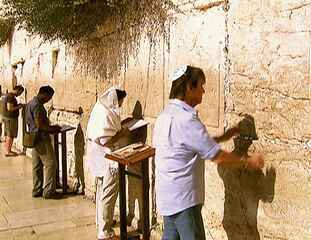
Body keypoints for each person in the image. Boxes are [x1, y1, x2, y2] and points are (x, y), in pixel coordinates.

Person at [153, 65, 264, 240]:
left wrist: (224, 137)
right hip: (185, 201)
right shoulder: (187, 120)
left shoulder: (165, 115)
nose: (204, 91)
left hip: (168, 197)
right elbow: (218, 157)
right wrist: (249, 163)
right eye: (201, 85)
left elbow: (189, 145)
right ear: (190, 87)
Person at [86, 87, 129, 240]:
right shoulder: (106, 114)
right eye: (121, 101)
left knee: (101, 190)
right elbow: (106, 140)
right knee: (109, 194)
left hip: (96, 156)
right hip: (107, 158)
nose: (121, 105)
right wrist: (122, 134)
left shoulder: (100, 108)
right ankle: (105, 231)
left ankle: (102, 221)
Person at [25, 85, 62, 199]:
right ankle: (49, 191)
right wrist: (53, 128)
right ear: (44, 94)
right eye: (49, 96)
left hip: (33, 137)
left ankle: (37, 189)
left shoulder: (30, 103)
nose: (49, 99)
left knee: (37, 165)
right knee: (51, 163)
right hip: (41, 138)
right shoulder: (37, 105)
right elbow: (40, 125)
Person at [2, 85, 24, 156]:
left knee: (8, 134)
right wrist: (19, 106)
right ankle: (8, 151)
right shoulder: (10, 97)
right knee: (10, 135)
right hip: (10, 118)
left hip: (7, 117)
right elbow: (10, 108)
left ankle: (8, 149)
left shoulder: (8, 95)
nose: (20, 94)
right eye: (20, 93)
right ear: (18, 90)